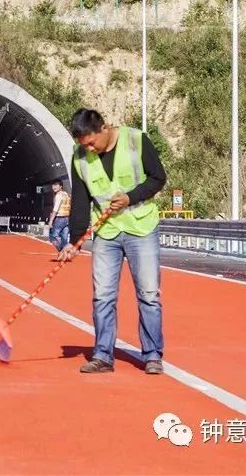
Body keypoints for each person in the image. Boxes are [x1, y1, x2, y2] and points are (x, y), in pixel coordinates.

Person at [57, 108, 167, 375]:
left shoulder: (136, 140)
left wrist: (131, 197)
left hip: (141, 227)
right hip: (106, 232)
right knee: (103, 296)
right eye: (84, 145)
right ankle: (102, 355)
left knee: (149, 295)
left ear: (103, 128)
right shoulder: (80, 156)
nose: (90, 149)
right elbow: (81, 200)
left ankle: (152, 355)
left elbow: (158, 178)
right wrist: (74, 241)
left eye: (92, 143)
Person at [47, 180, 71, 251]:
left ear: (61, 186)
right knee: (64, 237)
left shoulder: (58, 195)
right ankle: (65, 253)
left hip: (60, 218)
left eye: (56, 185)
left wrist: (51, 221)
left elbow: (56, 209)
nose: (54, 187)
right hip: (67, 217)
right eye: (53, 185)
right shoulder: (66, 194)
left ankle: (62, 250)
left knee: (52, 236)